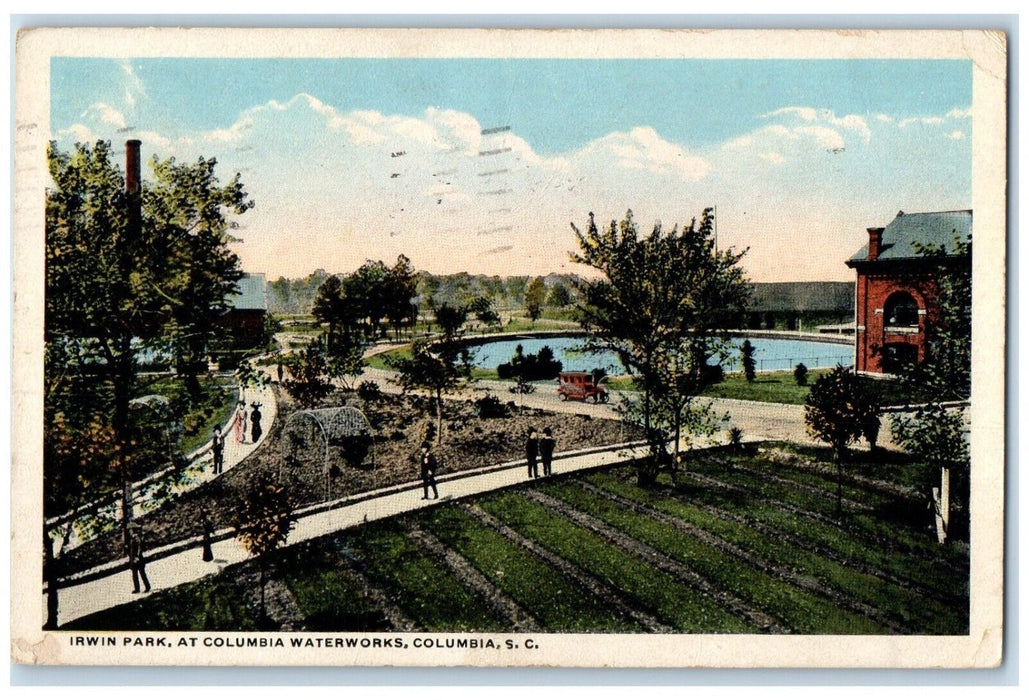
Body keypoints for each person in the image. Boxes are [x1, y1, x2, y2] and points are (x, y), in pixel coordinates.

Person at [127, 523, 151, 594]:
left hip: (138, 558)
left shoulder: (136, 538)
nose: (129, 531)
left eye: (130, 530)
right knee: (134, 574)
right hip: (133, 558)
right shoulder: (132, 538)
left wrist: (137, 556)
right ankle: (137, 588)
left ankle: (147, 586)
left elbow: (139, 548)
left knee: (142, 573)